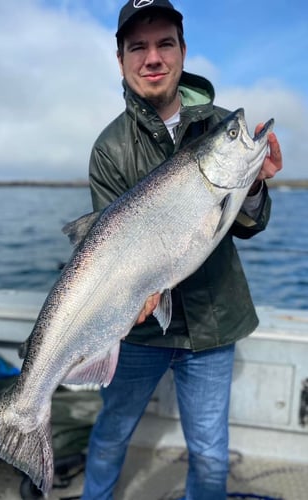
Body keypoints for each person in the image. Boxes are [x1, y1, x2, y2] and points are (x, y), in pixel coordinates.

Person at [81, 1, 283, 499]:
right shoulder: (110, 147)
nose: (153, 57)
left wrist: (253, 187)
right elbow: (104, 246)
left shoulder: (217, 127)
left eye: (164, 43)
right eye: (139, 47)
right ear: (122, 58)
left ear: (183, 51)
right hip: (141, 334)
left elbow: (248, 225)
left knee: (211, 453)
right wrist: (133, 295)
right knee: (110, 436)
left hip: (215, 321)